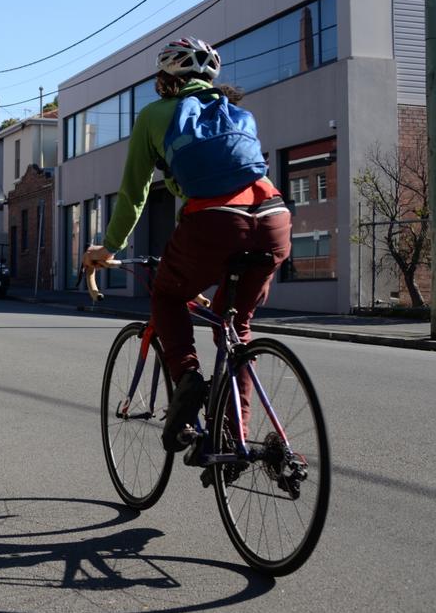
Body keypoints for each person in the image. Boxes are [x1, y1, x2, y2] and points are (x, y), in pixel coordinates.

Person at [82, 37, 291, 453]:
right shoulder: (239, 115)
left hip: (214, 226)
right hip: (274, 219)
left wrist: (107, 247)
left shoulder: (154, 115)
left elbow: (134, 194)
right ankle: (235, 440)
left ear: (165, 79)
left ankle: (188, 379)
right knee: (237, 328)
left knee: (165, 294)